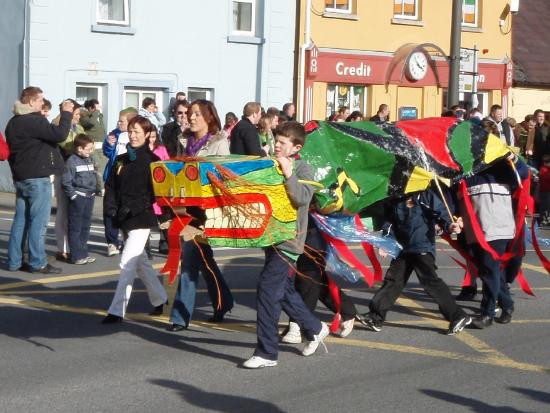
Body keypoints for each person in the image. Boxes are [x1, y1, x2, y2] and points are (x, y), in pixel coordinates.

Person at [243, 121, 328, 369]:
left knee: (268, 290)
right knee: (284, 291)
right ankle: (315, 327)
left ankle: (267, 352)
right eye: (275, 141)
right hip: (270, 236)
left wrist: (289, 172)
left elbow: (302, 198)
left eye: (282, 143)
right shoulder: (272, 163)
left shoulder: (304, 168)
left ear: (295, 147)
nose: (276, 145)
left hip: (289, 239)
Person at [360, 189, 471, 335]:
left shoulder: (424, 195)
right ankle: (376, 317)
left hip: (422, 245)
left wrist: (450, 225)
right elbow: (390, 224)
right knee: (393, 280)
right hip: (403, 248)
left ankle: (458, 316)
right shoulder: (394, 199)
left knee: (430, 282)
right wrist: (386, 243)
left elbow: (440, 212)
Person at [167, 100, 234, 331]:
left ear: (209, 118)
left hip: (208, 210)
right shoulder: (183, 141)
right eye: (189, 114)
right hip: (186, 208)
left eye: (196, 114)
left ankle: (179, 317)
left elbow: (223, 178)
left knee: (190, 263)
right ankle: (223, 301)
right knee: (203, 260)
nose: (191, 118)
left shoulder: (219, 143)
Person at [102, 116, 168, 323]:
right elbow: (111, 186)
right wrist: (111, 209)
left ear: (148, 134)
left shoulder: (153, 162)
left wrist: (163, 216)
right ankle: (160, 299)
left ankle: (116, 310)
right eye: (131, 131)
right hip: (123, 217)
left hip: (141, 218)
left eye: (138, 131)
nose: (133, 135)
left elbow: (158, 193)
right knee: (141, 263)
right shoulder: (122, 159)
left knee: (126, 262)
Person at [5, 86, 73, 273]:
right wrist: (66, 114)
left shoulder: (13, 122)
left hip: (21, 177)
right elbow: (60, 134)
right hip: (37, 178)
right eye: (40, 100)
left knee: (21, 221)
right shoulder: (34, 121)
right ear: (31, 101)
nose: (43, 103)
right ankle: (38, 262)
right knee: (38, 222)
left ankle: (14, 261)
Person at [457, 155, 528, 328]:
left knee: (489, 269)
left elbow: (523, 173)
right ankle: (507, 304)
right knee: (488, 270)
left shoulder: (501, 168)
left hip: (498, 228)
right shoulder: (464, 172)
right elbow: (454, 198)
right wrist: (454, 218)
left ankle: (487, 313)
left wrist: (514, 158)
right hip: (474, 230)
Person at [281, 218, 359, 343]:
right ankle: (347, 311)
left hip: (314, 233)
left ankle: (299, 325)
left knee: (307, 280)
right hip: (291, 232)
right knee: (314, 280)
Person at [102, 108, 138, 256]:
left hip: (129, 179)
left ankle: (128, 240)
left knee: (125, 211)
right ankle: (112, 242)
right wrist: (109, 145)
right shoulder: (115, 133)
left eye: (122, 121)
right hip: (113, 176)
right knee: (109, 210)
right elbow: (108, 153)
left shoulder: (136, 136)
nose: (119, 123)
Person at [52, 99, 84, 263]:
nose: (79, 118)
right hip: (63, 172)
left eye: (79, 114)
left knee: (75, 213)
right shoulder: (57, 126)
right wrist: (82, 144)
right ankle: (62, 248)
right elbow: (70, 145)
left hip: (78, 174)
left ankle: (75, 247)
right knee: (63, 212)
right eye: (76, 114)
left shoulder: (78, 128)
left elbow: (85, 145)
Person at [61, 134, 98, 265]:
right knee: (75, 227)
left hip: (90, 196)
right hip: (79, 197)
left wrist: (97, 189)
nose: (90, 151)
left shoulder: (90, 159)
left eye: (92, 148)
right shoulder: (72, 161)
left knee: (85, 227)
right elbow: (66, 181)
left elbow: (94, 175)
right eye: (88, 149)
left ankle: (83, 253)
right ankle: (76, 256)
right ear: (79, 149)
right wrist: (73, 196)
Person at [148, 126, 171, 255]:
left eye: (153, 137)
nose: (151, 140)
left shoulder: (161, 149)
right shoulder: (141, 150)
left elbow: (167, 165)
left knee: (164, 219)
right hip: (146, 189)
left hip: (160, 189)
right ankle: (146, 251)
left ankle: (169, 245)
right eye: (149, 137)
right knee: (146, 222)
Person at [538, 154, 550, 227]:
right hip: (545, 191)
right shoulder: (543, 169)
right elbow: (546, 178)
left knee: (547, 206)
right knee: (545, 206)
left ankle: (546, 219)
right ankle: (543, 220)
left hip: (547, 191)